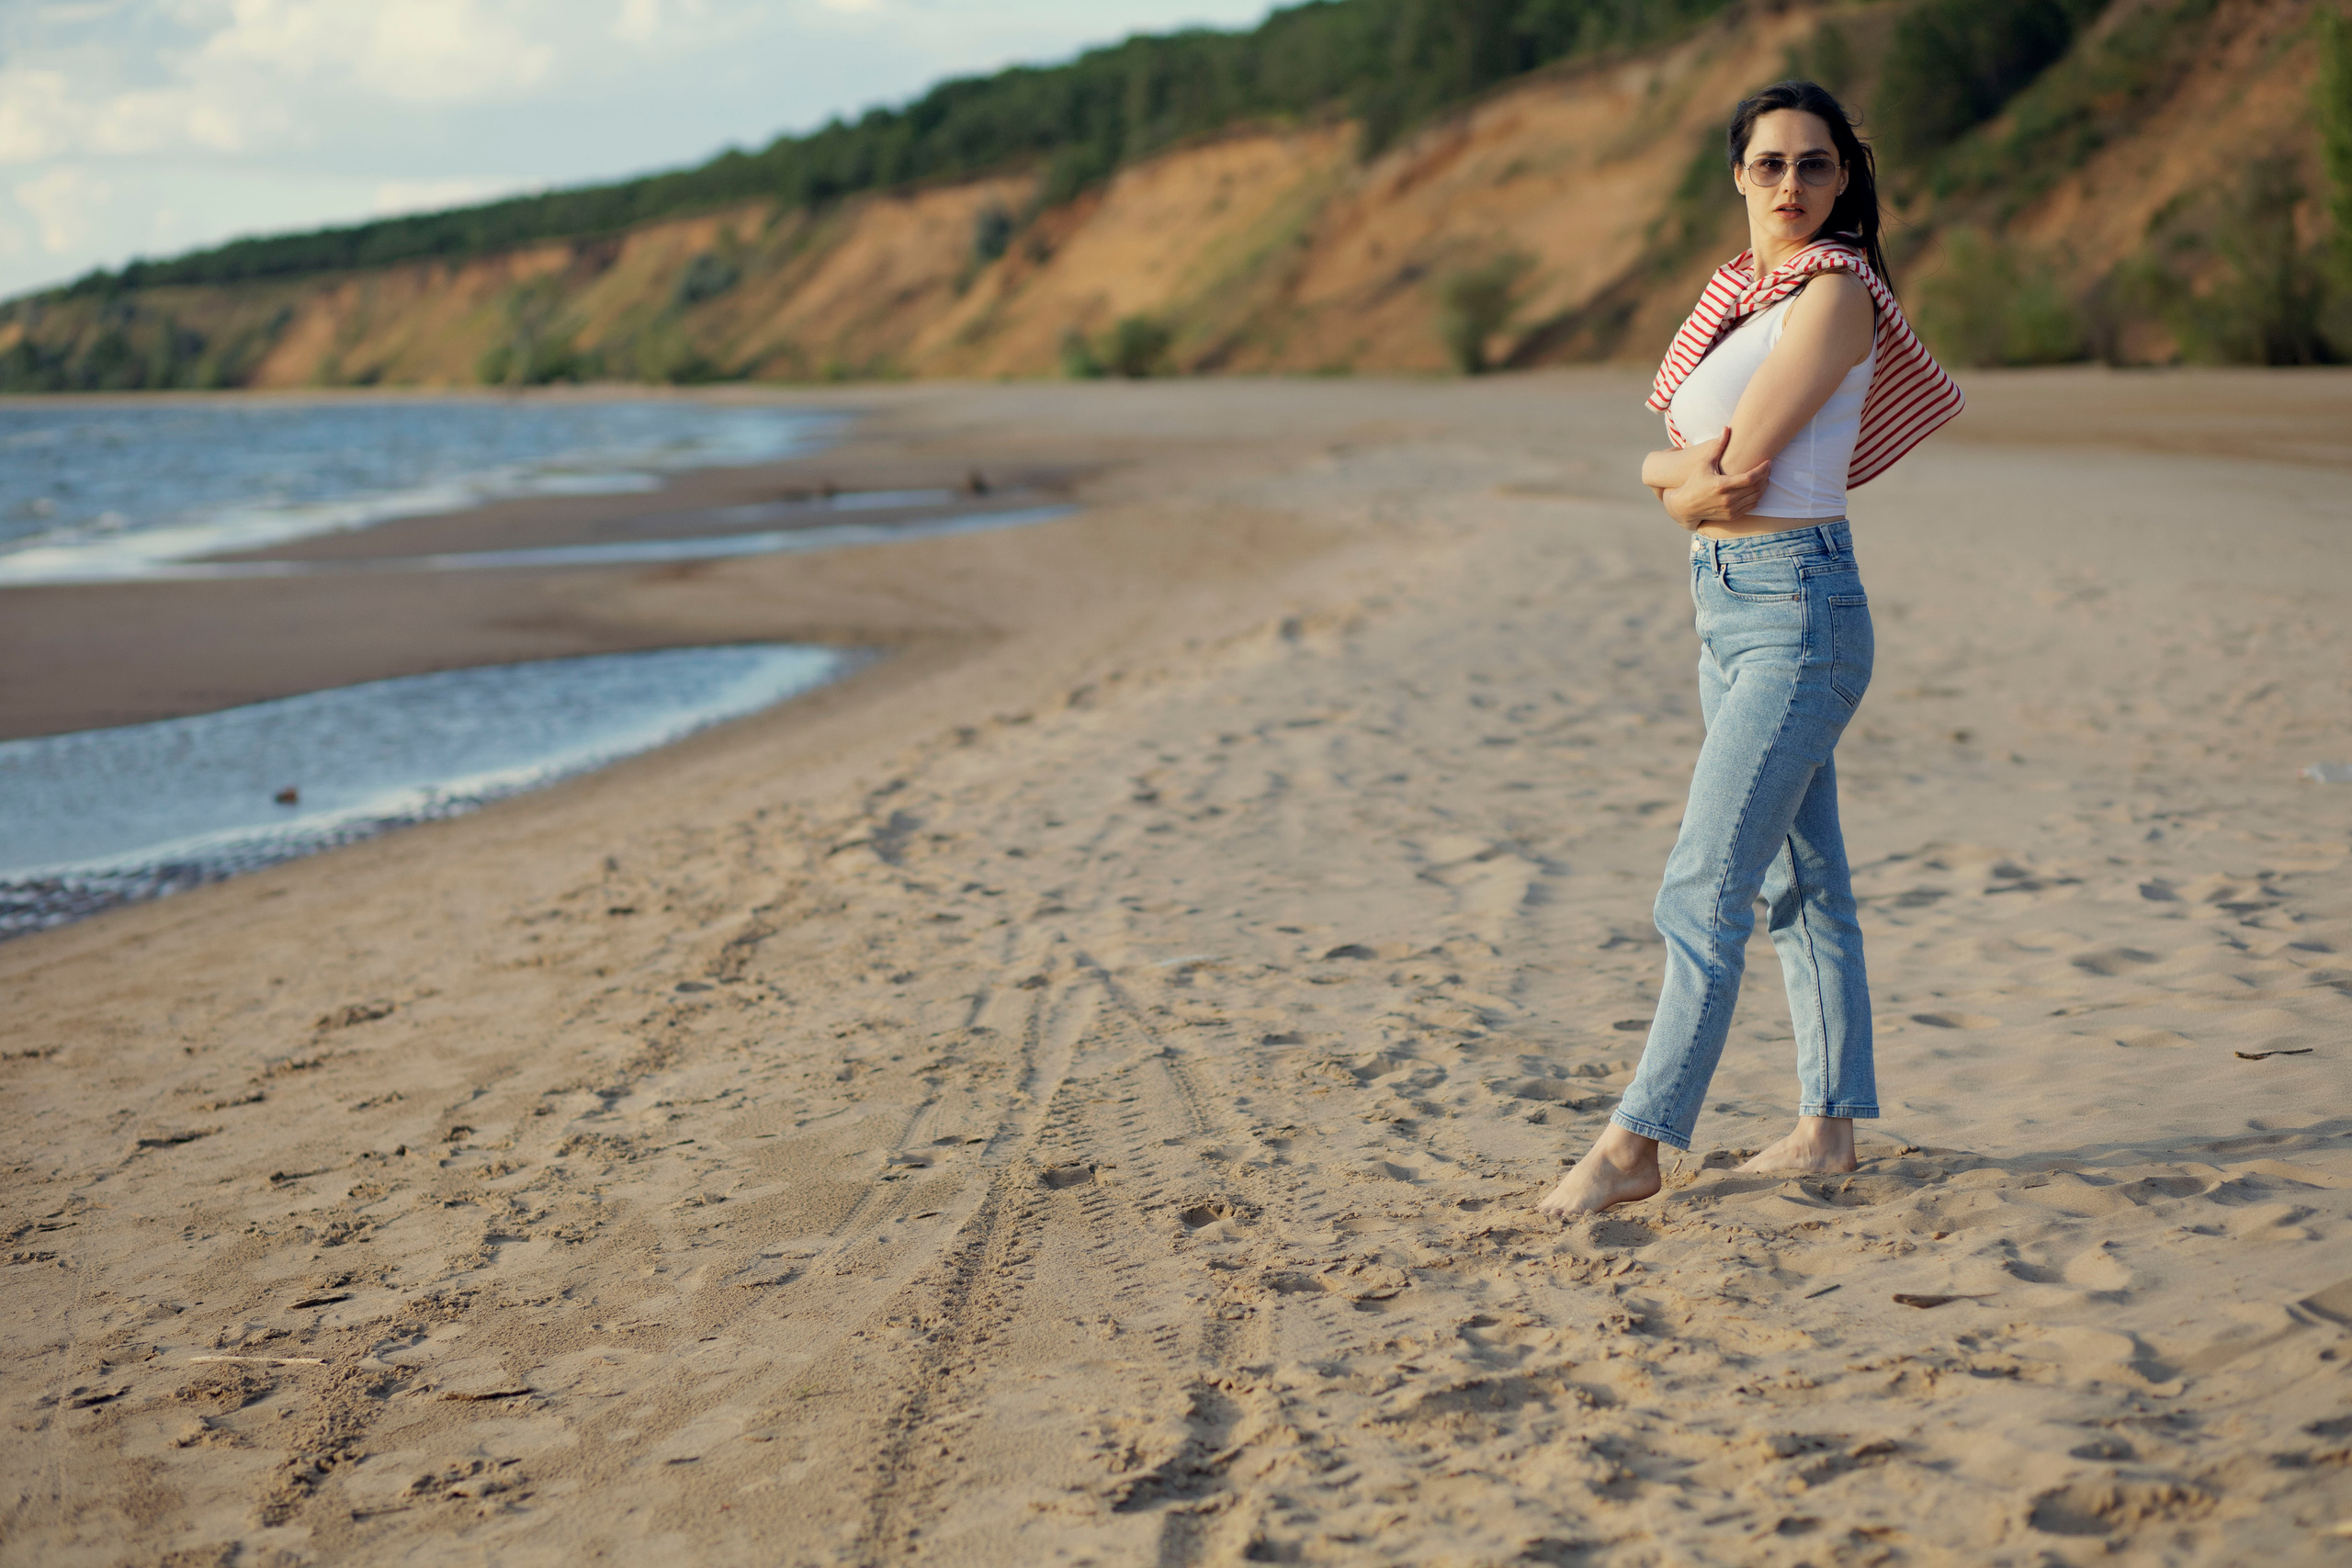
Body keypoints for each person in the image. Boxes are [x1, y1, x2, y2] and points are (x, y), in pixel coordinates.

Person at [1538, 80, 1963, 1218]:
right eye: (1769, 164)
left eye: (1814, 165)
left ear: (1844, 178)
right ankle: (1826, 1133)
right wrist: (1670, 487)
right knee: (1795, 881)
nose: (1790, 185)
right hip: (1725, 608)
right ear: (1735, 175)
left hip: (1797, 610)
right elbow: (1674, 464)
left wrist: (1677, 489)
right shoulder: (1739, 298)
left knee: (1701, 888)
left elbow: (1738, 471)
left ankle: (1635, 1145)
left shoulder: (1830, 297)